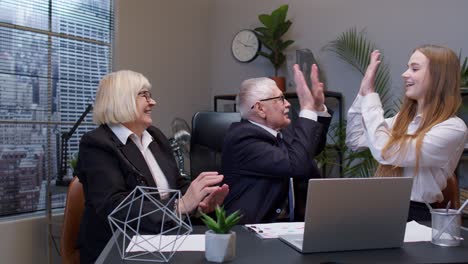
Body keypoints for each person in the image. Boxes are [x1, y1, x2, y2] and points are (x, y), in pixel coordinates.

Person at [76, 70, 229, 263]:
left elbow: (177, 184)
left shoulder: (155, 136)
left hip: (165, 240)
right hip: (118, 247)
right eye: (144, 95)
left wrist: (199, 202)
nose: (152, 102)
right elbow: (115, 205)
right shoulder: (97, 144)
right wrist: (179, 206)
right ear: (122, 99)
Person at [346, 45, 467, 221]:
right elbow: (355, 139)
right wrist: (363, 94)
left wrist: (370, 96)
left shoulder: (453, 128)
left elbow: (386, 152)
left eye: (414, 68)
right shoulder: (399, 121)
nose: (405, 74)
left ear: (438, 77)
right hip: (380, 207)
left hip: (418, 216)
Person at [221, 64, 332, 224]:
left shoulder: (281, 129)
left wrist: (317, 108)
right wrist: (306, 109)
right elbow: (298, 165)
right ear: (260, 108)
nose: (287, 104)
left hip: (294, 225)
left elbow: (309, 149)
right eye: (280, 99)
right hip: (254, 230)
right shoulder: (242, 137)